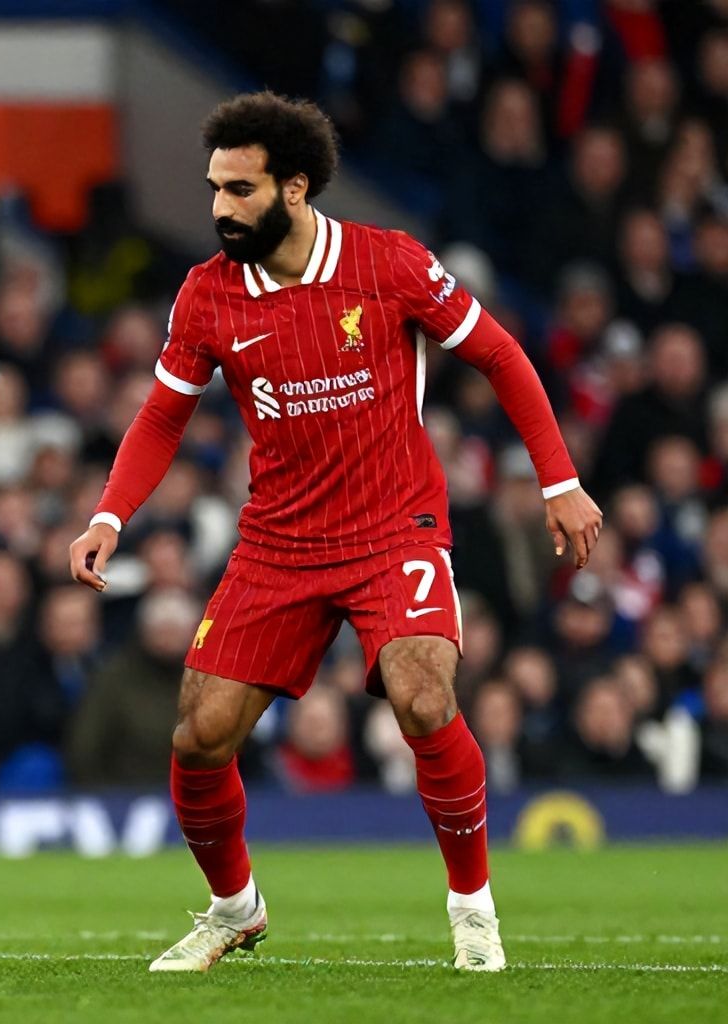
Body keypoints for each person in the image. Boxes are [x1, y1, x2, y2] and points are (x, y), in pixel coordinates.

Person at [68, 92, 603, 974]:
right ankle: (233, 909)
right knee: (199, 737)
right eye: (214, 188)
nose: (218, 209)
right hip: (278, 540)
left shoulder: (388, 264)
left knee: (424, 696)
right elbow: (162, 417)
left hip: (395, 525)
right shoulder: (206, 295)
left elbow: (500, 353)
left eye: (240, 190)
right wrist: (107, 516)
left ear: (296, 186)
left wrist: (561, 481)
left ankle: (473, 912)